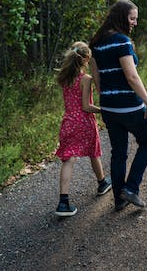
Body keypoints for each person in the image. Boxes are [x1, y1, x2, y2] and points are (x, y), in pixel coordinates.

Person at [90, 0, 147, 211]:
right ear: (121, 17)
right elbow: (132, 76)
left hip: (109, 107)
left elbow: (96, 77)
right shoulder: (122, 41)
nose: (135, 23)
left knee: (119, 152)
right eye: (132, 18)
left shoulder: (96, 43)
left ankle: (119, 199)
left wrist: (107, 99)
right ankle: (131, 188)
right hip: (130, 106)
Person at [54, 41, 112, 217]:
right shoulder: (85, 79)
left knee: (68, 160)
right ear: (87, 59)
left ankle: (63, 202)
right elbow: (86, 107)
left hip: (68, 123)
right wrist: (104, 110)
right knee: (94, 153)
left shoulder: (65, 78)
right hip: (84, 123)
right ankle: (102, 183)